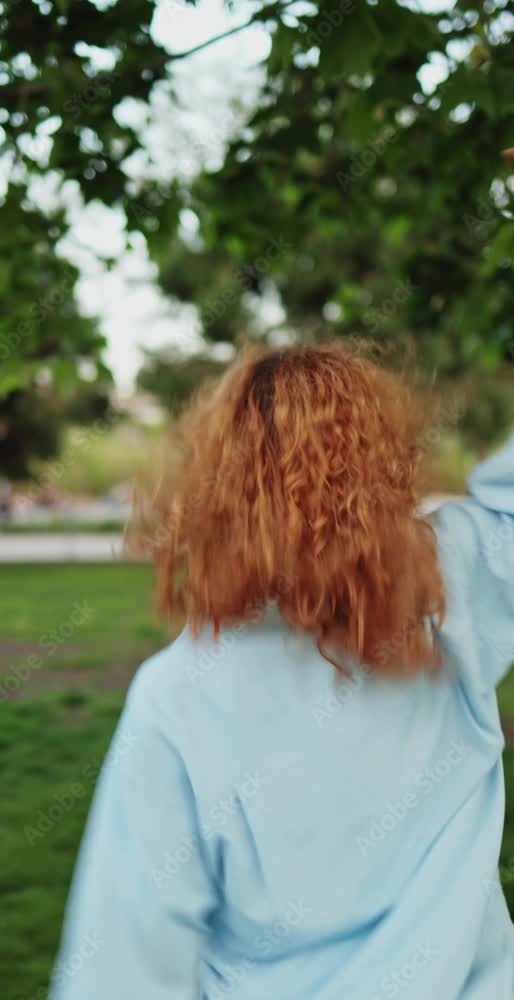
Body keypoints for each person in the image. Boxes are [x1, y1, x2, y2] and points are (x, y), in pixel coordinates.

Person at [50, 343, 514, 1000]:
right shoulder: (453, 596)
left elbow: (124, 965)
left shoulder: (178, 695)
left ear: (217, 485)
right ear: (389, 469)